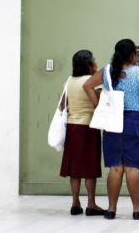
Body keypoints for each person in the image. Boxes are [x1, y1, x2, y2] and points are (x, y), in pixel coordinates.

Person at [83, 39, 139, 220]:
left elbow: (87, 85)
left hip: (113, 121)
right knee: (132, 168)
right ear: (133, 54)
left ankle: (110, 209)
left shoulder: (108, 70)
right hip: (136, 121)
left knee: (115, 168)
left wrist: (98, 105)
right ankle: (137, 209)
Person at [59, 49, 105, 216]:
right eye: (94, 61)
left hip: (72, 127)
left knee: (75, 168)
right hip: (88, 127)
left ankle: (75, 203)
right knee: (90, 168)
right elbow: (99, 103)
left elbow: (63, 105)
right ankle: (91, 204)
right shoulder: (91, 81)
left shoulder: (69, 80)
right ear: (89, 64)